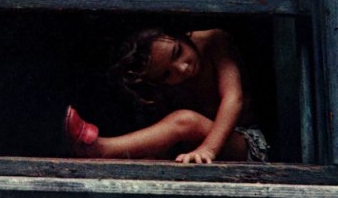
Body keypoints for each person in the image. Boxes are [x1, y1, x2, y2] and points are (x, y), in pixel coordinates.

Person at [63, 27, 268, 163]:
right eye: (167, 74)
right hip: (195, 148)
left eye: (177, 52)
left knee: (184, 120)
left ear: (180, 33)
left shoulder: (215, 41)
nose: (183, 68)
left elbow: (234, 98)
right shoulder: (163, 85)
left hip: (247, 144)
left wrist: (208, 149)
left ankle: (100, 149)